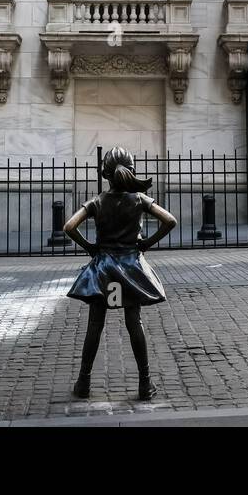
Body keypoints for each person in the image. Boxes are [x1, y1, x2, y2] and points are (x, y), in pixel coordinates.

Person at [64, 145, 177, 400]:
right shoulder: (139, 199)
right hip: (131, 267)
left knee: (95, 324)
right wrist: (147, 243)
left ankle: (83, 382)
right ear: (131, 169)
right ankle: (145, 383)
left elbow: (69, 226)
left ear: (105, 174)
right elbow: (170, 221)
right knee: (133, 322)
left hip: (103, 268)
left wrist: (90, 247)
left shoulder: (97, 201)